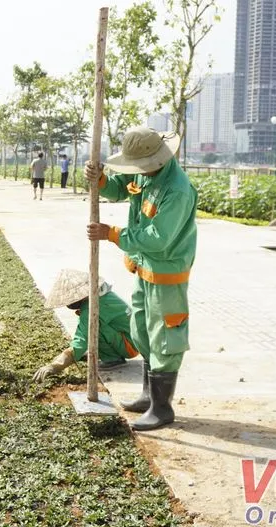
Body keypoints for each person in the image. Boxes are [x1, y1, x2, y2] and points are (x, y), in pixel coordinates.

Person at [85, 126, 197, 431]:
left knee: (165, 337)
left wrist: (112, 234)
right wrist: (102, 180)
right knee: (142, 328)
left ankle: (162, 408)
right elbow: (120, 188)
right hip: (143, 268)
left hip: (167, 273)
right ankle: (149, 395)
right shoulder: (144, 171)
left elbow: (158, 238)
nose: (137, 172)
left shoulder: (177, 189)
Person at [33, 270, 139, 381]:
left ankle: (113, 359)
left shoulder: (92, 308)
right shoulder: (102, 295)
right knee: (95, 326)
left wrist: (55, 366)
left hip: (131, 346)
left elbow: (81, 340)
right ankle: (108, 353)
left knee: (93, 328)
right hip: (135, 339)